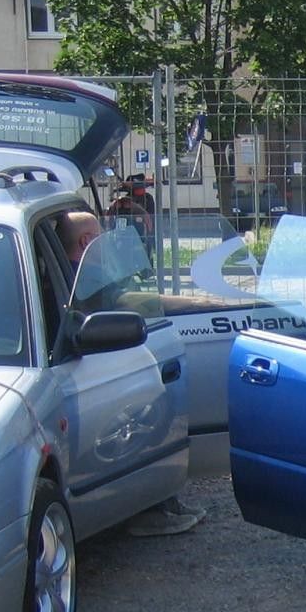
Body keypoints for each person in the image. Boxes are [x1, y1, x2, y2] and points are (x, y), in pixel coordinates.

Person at [58, 210, 207, 536]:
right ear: (86, 241)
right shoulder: (87, 278)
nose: (106, 245)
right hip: (100, 371)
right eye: (100, 237)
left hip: (89, 368)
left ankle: (159, 501)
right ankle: (146, 507)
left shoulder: (63, 274)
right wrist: (200, 304)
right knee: (153, 416)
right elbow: (132, 302)